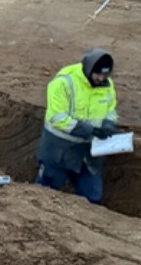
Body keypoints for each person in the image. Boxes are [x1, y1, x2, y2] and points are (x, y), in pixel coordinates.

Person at [36, 47, 120, 203]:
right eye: (98, 74)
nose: (102, 79)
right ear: (88, 70)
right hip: (60, 151)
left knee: (93, 198)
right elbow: (57, 117)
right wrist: (91, 130)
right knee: (43, 194)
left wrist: (109, 124)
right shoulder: (64, 83)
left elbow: (111, 109)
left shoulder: (107, 85)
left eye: (105, 75)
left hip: (88, 155)